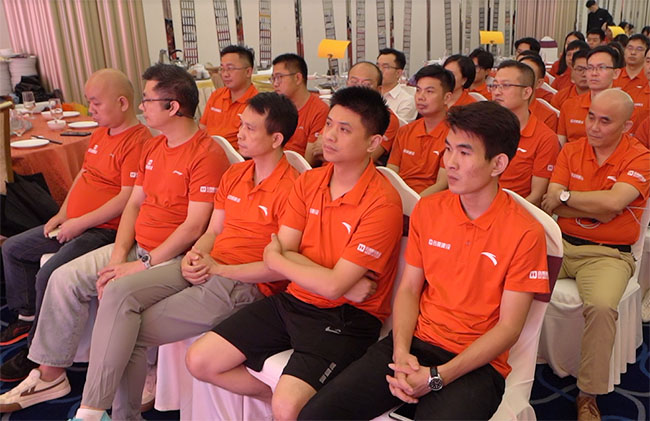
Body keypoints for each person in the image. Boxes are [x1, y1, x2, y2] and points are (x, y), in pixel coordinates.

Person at [298, 100, 550, 420]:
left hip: (476, 364)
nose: (450, 163)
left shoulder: (525, 232)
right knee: (315, 415)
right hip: (416, 343)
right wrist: (401, 353)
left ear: (498, 163)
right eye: (448, 149)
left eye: (464, 153)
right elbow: (409, 290)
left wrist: (436, 377)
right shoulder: (428, 210)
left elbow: (509, 328)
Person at [0, 63, 229, 413]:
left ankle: (131, 383)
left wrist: (142, 264)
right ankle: (51, 375)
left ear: (172, 107)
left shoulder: (206, 153)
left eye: (148, 100)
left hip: (171, 256)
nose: (141, 106)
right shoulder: (155, 147)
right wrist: (120, 256)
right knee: (62, 278)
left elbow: (194, 227)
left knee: (119, 293)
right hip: (137, 247)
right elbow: (134, 205)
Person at [71, 92, 300, 421]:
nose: (240, 134)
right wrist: (196, 254)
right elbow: (213, 230)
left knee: (128, 332)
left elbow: (280, 267)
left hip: (244, 284)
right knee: (119, 290)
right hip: (207, 266)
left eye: (250, 128)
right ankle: (92, 411)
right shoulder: (235, 174)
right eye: (241, 125)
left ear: (276, 139)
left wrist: (218, 267)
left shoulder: (294, 189)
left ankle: (107, 416)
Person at [184, 86, 403, 421]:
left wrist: (286, 263)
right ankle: (284, 404)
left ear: (373, 143)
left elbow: (327, 284)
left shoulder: (382, 202)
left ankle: (291, 409)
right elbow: (285, 253)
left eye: (344, 130)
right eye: (329, 124)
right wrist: (307, 269)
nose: (329, 136)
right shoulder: (309, 182)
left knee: (287, 407)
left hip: (347, 317)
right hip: (295, 300)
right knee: (199, 360)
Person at [0, 69, 150, 381]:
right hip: (77, 222)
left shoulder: (138, 141)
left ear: (122, 103)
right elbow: (84, 175)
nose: (90, 109)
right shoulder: (101, 133)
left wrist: (80, 223)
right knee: (14, 249)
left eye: (96, 103)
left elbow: (126, 199)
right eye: (88, 102)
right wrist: (63, 213)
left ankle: (35, 353)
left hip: (105, 230)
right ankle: (27, 316)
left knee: (49, 273)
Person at [541, 88, 649, 421]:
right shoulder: (572, 150)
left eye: (605, 121)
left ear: (626, 126)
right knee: (510, 280)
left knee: (601, 307)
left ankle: (588, 395)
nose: (593, 126)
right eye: (591, 117)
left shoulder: (640, 157)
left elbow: (614, 203)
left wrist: (568, 200)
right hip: (561, 244)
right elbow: (551, 200)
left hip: (608, 255)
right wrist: (597, 208)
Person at [491, 61, 559, 206]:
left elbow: (537, 196)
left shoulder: (545, 138)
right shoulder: (484, 128)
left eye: (505, 86)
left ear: (526, 92)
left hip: (516, 210)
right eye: (495, 85)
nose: (496, 92)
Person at [306, 62, 400, 167]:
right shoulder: (339, 111)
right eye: (354, 82)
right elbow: (315, 152)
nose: (358, 88)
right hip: (323, 172)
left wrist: (329, 151)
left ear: (379, 89)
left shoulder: (385, 118)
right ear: (347, 84)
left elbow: (364, 159)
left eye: (366, 84)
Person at [387, 65, 453, 196]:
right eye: (418, 90)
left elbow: (442, 184)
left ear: (446, 98)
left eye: (429, 91)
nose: (420, 97)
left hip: (431, 200)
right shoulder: (405, 131)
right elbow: (392, 170)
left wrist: (414, 202)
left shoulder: (454, 135)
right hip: (399, 197)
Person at [558, 46, 622, 145]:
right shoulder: (569, 105)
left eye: (601, 67)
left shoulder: (624, 107)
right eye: (590, 68)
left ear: (616, 73)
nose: (594, 73)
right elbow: (560, 143)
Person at [200, 45, 258, 149]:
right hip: (207, 151)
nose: (225, 74)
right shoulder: (216, 95)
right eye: (222, 69)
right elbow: (202, 128)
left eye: (230, 68)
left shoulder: (257, 104)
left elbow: (253, 148)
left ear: (248, 72)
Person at [270, 53, 328, 156]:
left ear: (298, 78)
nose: (275, 84)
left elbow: (309, 160)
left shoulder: (319, 111)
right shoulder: (274, 107)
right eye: (273, 78)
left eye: (279, 77)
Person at [518, 53, 559, 132]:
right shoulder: (502, 106)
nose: (521, 78)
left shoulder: (548, 116)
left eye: (528, 75)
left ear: (539, 83)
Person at [377, 48, 417, 122]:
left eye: (385, 67)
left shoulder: (406, 101)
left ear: (398, 73)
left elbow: (400, 128)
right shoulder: (369, 93)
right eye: (377, 66)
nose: (379, 71)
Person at [613, 34, 650, 100]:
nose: (633, 52)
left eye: (639, 49)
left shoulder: (648, 77)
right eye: (630, 48)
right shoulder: (614, 75)